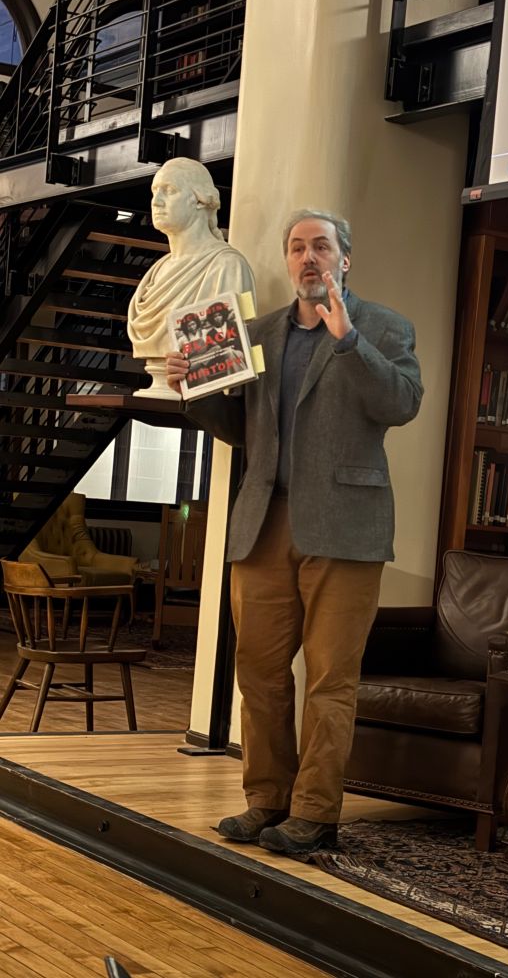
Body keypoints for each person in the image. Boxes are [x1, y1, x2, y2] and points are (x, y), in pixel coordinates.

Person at [165, 208, 422, 855]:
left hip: (346, 528)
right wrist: (193, 392)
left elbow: (401, 404)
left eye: (321, 247)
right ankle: (266, 801)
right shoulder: (254, 333)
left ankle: (314, 813)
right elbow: (239, 430)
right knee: (259, 673)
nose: (308, 257)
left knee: (330, 678)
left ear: (345, 258)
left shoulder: (385, 327)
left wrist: (348, 339)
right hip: (263, 523)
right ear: (287, 261)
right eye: (297, 248)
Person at [127, 157, 255, 399]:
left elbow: (226, 352)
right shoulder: (155, 273)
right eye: (155, 192)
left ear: (199, 200)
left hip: (202, 396)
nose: (156, 202)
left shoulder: (226, 267)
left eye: (170, 191)